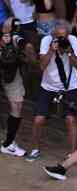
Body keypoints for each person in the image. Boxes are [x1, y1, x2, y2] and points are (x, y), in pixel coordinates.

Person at [27, 21, 77, 163]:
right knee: (38, 119)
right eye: (59, 37)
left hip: (69, 86)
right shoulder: (46, 40)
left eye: (64, 36)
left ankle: (72, 154)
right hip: (48, 86)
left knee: (71, 119)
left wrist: (69, 52)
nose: (62, 39)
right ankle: (34, 149)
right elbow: (42, 66)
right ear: (52, 35)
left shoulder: (73, 41)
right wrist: (52, 50)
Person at [0, 17, 28, 157]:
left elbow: (16, 57)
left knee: (17, 105)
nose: (13, 31)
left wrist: (12, 47)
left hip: (10, 73)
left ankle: (8, 143)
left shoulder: (16, 39)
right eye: (10, 28)